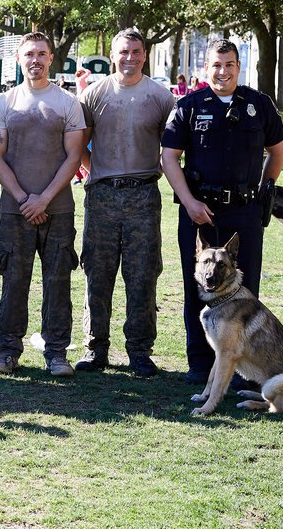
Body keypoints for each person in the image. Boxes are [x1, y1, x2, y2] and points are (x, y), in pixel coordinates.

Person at [161, 38, 283, 384]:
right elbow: (169, 158)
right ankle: (200, 364)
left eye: (229, 64)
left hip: (244, 212)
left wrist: (265, 188)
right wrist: (188, 201)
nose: (223, 71)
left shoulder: (259, 105)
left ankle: (244, 366)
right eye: (216, 64)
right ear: (207, 68)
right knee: (197, 286)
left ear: (238, 67)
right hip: (199, 211)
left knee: (245, 291)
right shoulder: (189, 105)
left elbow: (277, 150)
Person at [75, 28, 175, 377]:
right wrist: (102, 172)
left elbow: (171, 152)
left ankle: (140, 351)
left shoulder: (161, 98)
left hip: (144, 196)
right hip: (102, 195)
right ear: (113, 56)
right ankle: (95, 348)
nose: (129, 58)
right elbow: (79, 148)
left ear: (144, 55)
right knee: (96, 274)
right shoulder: (93, 95)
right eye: (123, 52)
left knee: (143, 275)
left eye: (135, 51)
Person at [0, 32, 85, 376]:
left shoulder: (67, 103)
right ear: (18, 58)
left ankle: (57, 352)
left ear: (51, 58)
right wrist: (23, 198)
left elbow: (74, 157)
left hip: (57, 210)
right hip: (15, 211)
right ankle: (7, 351)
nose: (35, 60)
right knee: (13, 280)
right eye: (29, 54)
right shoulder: (5, 103)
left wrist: (43, 198)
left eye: (42, 54)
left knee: (57, 282)